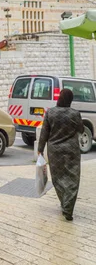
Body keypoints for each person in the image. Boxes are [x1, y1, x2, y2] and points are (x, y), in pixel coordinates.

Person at [38, 88, 84, 221]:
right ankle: (68, 208)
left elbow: (44, 133)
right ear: (70, 100)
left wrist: (40, 149)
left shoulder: (50, 112)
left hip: (55, 152)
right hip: (72, 152)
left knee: (58, 179)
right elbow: (81, 129)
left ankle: (64, 204)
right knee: (72, 179)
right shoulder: (75, 114)